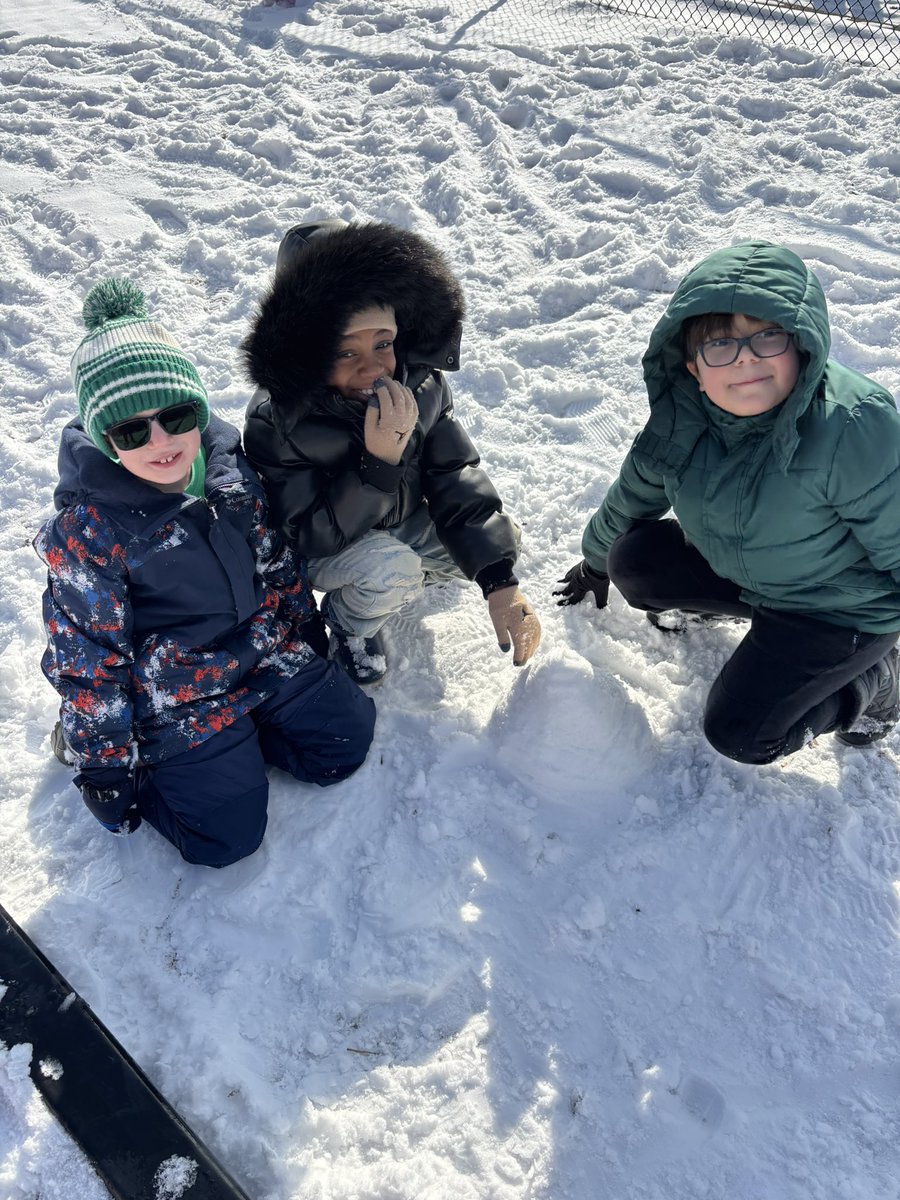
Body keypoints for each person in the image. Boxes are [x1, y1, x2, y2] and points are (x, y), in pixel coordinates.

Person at [35, 279, 375, 868]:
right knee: (226, 839)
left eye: (176, 415)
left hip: (258, 651)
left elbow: (274, 561)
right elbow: (86, 657)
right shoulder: (92, 531)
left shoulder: (226, 472)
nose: (161, 441)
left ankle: (244, 729)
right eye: (131, 430)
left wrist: (305, 634)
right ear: (103, 439)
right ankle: (155, 760)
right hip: (176, 689)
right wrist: (104, 766)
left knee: (346, 743)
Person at [555, 241, 900, 764]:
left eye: (767, 337)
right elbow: (631, 497)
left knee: (743, 735)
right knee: (632, 560)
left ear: (801, 344)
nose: (745, 360)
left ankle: (877, 680)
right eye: (720, 346)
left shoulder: (852, 426)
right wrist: (593, 560)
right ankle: (753, 621)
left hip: (838, 611)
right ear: (694, 367)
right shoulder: (683, 420)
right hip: (752, 574)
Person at [241, 218, 541, 685]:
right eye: (344, 352)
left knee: (499, 545)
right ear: (305, 351)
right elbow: (308, 534)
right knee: (391, 570)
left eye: (383, 343)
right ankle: (349, 623)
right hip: (328, 546)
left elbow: (454, 473)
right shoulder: (280, 420)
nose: (373, 366)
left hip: (397, 520)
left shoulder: (419, 384)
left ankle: (404, 579)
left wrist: (499, 583)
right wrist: (378, 463)